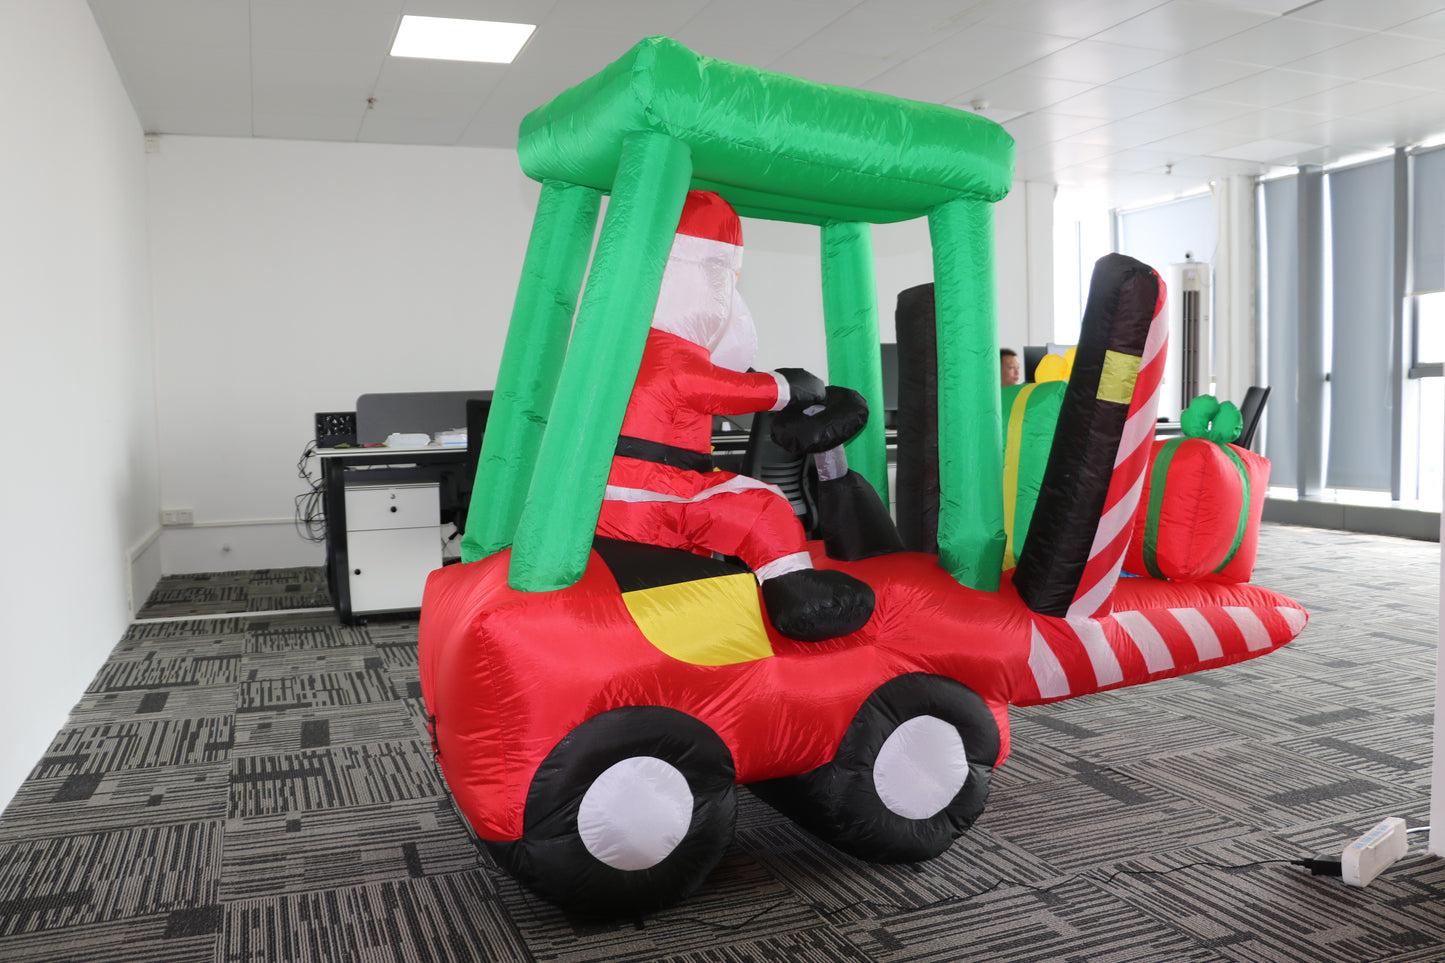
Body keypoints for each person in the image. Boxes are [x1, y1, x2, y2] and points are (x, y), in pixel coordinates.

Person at [595, 190, 874, 643]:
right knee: (763, 505)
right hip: (652, 488)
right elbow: (708, 387)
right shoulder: (665, 350)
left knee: (727, 511)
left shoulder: (622, 345)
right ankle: (799, 597)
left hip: (638, 488)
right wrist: (787, 388)